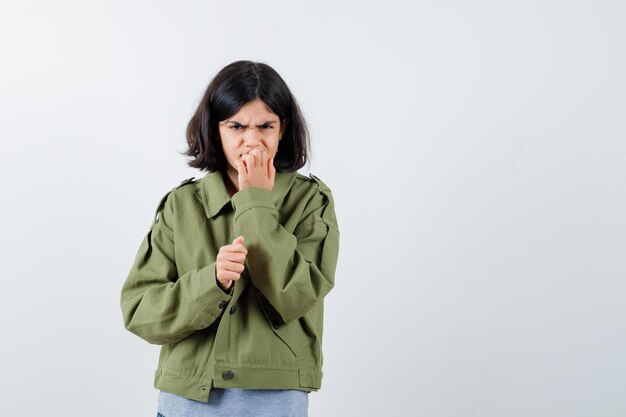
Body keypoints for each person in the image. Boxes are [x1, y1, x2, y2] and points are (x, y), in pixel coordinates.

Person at [120, 60, 340, 417]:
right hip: (186, 404)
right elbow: (141, 310)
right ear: (215, 129)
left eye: (265, 126)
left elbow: (297, 294)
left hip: (275, 402)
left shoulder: (310, 200)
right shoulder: (182, 204)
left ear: (282, 129)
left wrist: (256, 201)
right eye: (236, 125)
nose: (251, 140)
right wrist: (212, 282)